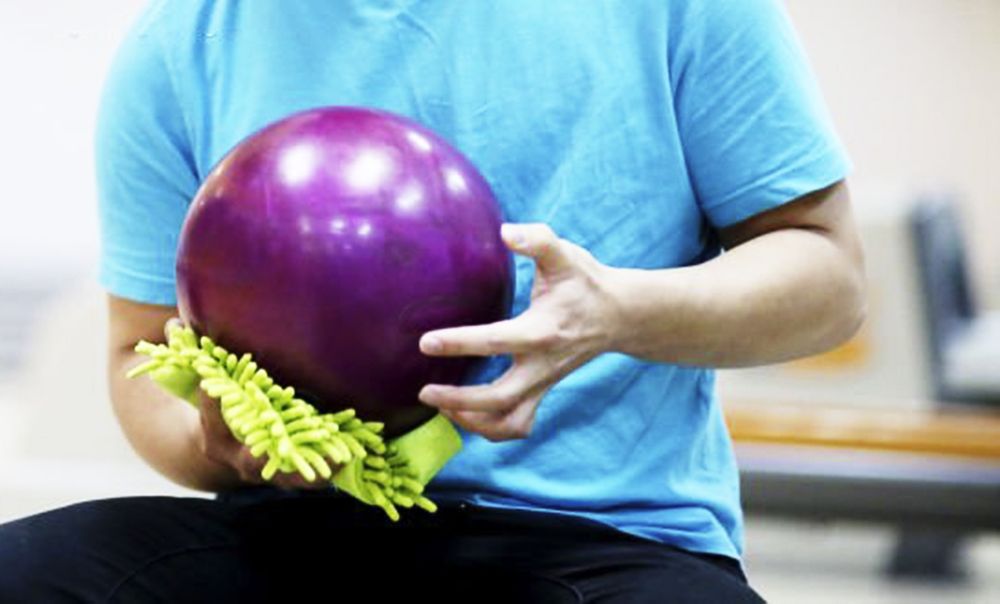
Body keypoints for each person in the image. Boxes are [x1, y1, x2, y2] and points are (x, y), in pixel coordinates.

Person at [0, 1, 865, 601]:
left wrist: (617, 311)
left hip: (603, 540)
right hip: (292, 528)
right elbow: (140, 352)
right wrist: (216, 442)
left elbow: (828, 276)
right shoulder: (183, 37)